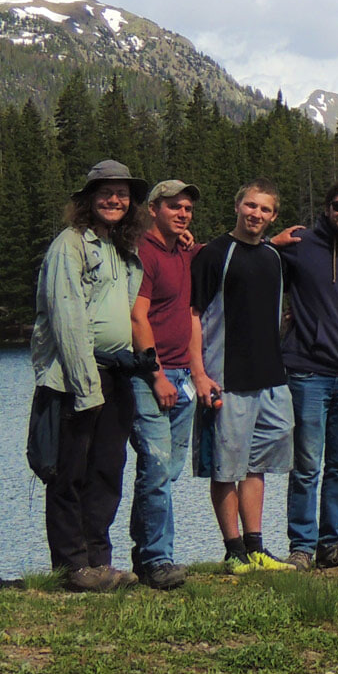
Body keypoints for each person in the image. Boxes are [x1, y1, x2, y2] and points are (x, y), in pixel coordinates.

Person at [31, 160, 148, 592]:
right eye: (105, 193)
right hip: (74, 379)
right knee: (68, 474)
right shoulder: (70, 245)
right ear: (87, 199)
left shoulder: (121, 248)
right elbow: (68, 319)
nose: (115, 200)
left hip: (116, 376)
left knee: (106, 473)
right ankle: (73, 567)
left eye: (122, 194)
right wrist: (86, 388)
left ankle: (100, 561)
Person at [191, 178, 294, 574]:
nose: (257, 214)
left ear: (273, 216)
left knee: (257, 466)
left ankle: (256, 548)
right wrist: (199, 373)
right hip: (226, 378)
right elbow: (193, 316)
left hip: (271, 378)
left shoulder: (271, 256)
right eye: (251, 206)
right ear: (237, 206)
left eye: (265, 210)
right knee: (226, 467)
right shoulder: (214, 254)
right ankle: (232, 550)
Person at [273, 179, 338, 570]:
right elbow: (253, 264)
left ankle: (332, 543)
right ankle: (302, 546)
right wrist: (270, 243)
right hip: (307, 372)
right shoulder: (300, 244)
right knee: (306, 466)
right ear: (327, 208)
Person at [126, 179, 210, 590]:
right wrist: (156, 374)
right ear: (153, 208)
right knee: (156, 468)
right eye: (175, 207)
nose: (183, 214)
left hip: (183, 377)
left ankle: (144, 553)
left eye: (188, 209)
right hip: (150, 377)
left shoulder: (184, 252)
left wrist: (197, 373)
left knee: (167, 471)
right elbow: (137, 316)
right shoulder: (144, 252)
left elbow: (192, 315)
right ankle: (158, 560)